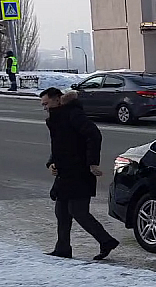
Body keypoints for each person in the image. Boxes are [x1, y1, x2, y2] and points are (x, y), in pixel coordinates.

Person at [40, 87, 118, 260]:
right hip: (65, 172)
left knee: (78, 211)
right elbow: (60, 145)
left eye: (46, 104)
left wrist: (92, 163)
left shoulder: (73, 114)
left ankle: (106, 241)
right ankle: (63, 248)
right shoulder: (56, 118)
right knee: (61, 211)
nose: (45, 108)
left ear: (57, 99)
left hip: (79, 171)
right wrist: (51, 162)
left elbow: (94, 135)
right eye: (43, 105)